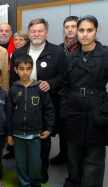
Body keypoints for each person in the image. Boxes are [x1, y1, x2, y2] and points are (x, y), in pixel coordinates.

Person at [10, 18, 65, 183]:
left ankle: (42, 169)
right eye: (33, 31)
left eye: (40, 31)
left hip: (45, 102)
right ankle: (25, 171)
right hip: (22, 102)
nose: (36, 34)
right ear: (28, 33)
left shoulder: (57, 52)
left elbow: (63, 77)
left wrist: (51, 83)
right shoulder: (19, 53)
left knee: (43, 138)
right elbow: (12, 78)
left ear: (46, 33)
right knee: (22, 137)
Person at [60, 15, 108, 187]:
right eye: (81, 30)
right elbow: (65, 85)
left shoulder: (105, 54)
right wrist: (64, 107)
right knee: (73, 155)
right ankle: (73, 182)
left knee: (94, 158)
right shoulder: (71, 57)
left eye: (89, 30)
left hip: (97, 110)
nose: (85, 34)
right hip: (73, 110)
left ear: (96, 31)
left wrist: (105, 109)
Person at [7, 54, 54, 187]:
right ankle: (24, 183)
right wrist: (9, 133)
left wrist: (49, 128)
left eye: (28, 68)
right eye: (21, 69)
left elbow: (48, 109)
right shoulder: (13, 90)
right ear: (16, 70)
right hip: (17, 134)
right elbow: (9, 113)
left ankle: (35, 182)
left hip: (35, 133)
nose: (25, 72)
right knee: (21, 161)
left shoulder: (39, 88)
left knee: (35, 161)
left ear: (32, 69)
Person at [50, 16, 80, 166]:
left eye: (73, 26)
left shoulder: (83, 47)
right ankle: (63, 154)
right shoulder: (59, 48)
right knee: (62, 126)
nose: (70, 29)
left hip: (77, 95)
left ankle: (76, 158)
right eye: (67, 27)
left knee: (76, 127)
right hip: (60, 94)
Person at [2, 29, 29, 160]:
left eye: (21, 39)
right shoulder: (13, 54)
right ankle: (13, 149)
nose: (18, 42)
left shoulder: (28, 55)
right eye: (16, 39)